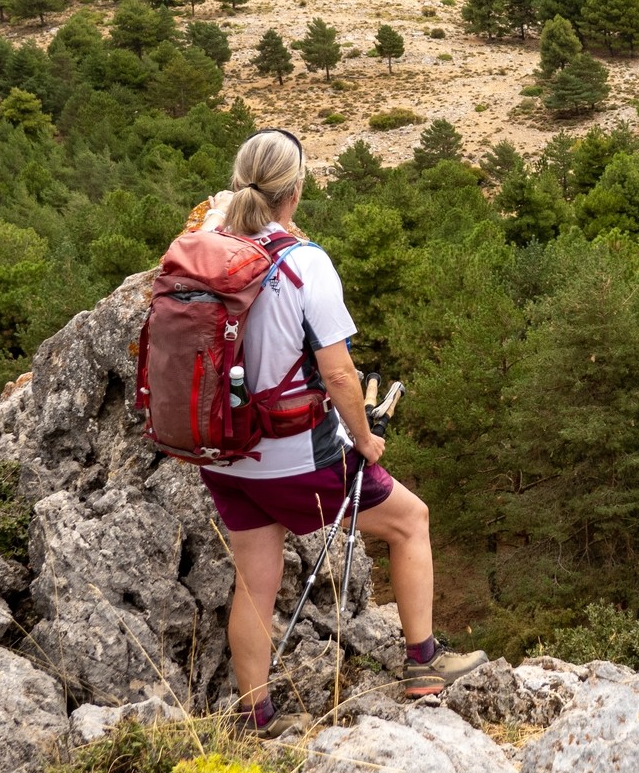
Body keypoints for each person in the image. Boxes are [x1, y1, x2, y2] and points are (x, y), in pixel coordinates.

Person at [201, 129, 486, 734]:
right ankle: (424, 665)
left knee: (254, 579)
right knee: (411, 522)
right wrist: (364, 439)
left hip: (223, 452)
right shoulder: (305, 264)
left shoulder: (207, 250)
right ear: (297, 190)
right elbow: (338, 372)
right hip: (294, 455)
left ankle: (256, 717)